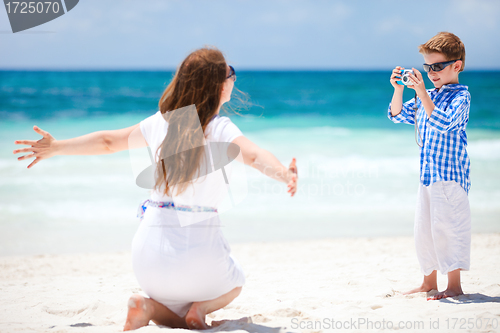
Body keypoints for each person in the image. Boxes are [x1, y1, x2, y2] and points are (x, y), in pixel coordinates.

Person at [13, 46, 298, 329]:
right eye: (230, 74)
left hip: (146, 263)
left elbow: (108, 142)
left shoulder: (163, 122)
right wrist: (284, 174)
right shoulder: (219, 127)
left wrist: (56, 147)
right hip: (198, 258)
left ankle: (148, 305)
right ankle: (200, 309)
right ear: (219, 86)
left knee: (177, 293)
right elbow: (253, 155)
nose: (233, 80)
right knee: (236, 282)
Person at [388, 32, 471, 300]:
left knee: (448, 229)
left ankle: (455, 285)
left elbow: (444, 123)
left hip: (449, 178)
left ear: (456, 66)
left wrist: (423, 92)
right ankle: (428, 282)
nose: (432, 72)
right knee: (425, 231)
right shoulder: (429, 95)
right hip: (428, 177)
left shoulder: (461, 96)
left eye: (437, 66)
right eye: (427, 67)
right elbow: (397, 115)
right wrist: (399, 89)